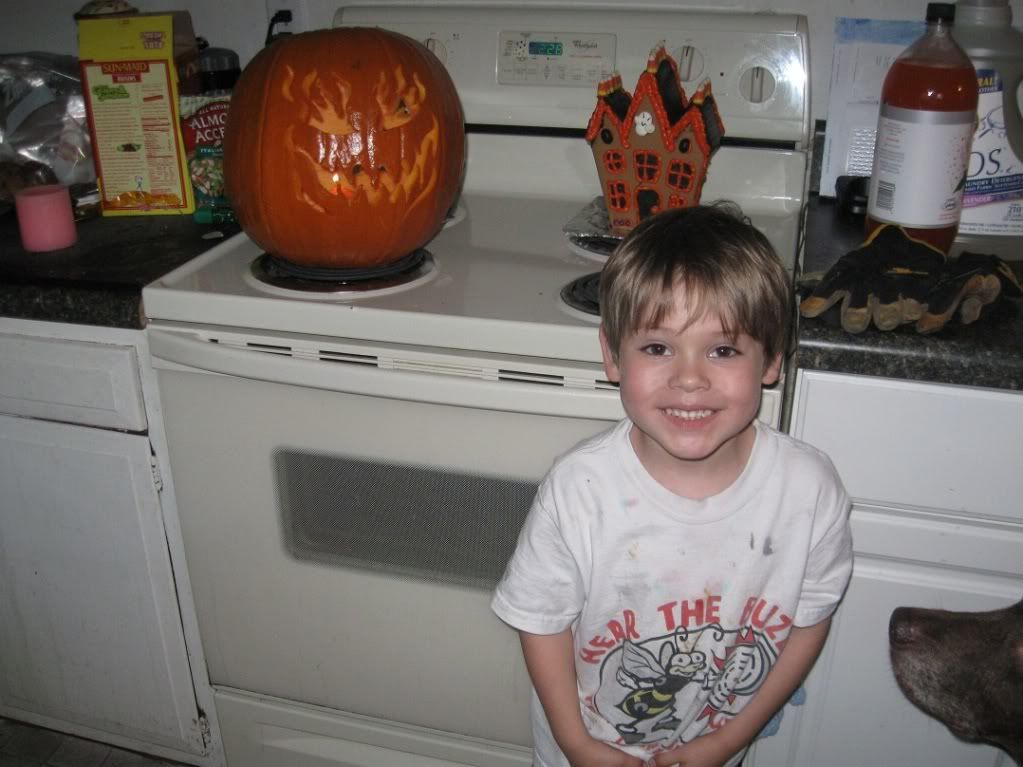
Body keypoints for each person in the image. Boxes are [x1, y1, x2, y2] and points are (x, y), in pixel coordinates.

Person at [491, 203, 854, 767]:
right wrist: (578, 745)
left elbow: (809, 623)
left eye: (724, 350)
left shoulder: (809, 494)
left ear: (772, 360)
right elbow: (540, 625)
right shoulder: (579, 491)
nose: (689, 378)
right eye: (658, 348)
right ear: (613, 356)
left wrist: (729, 740)